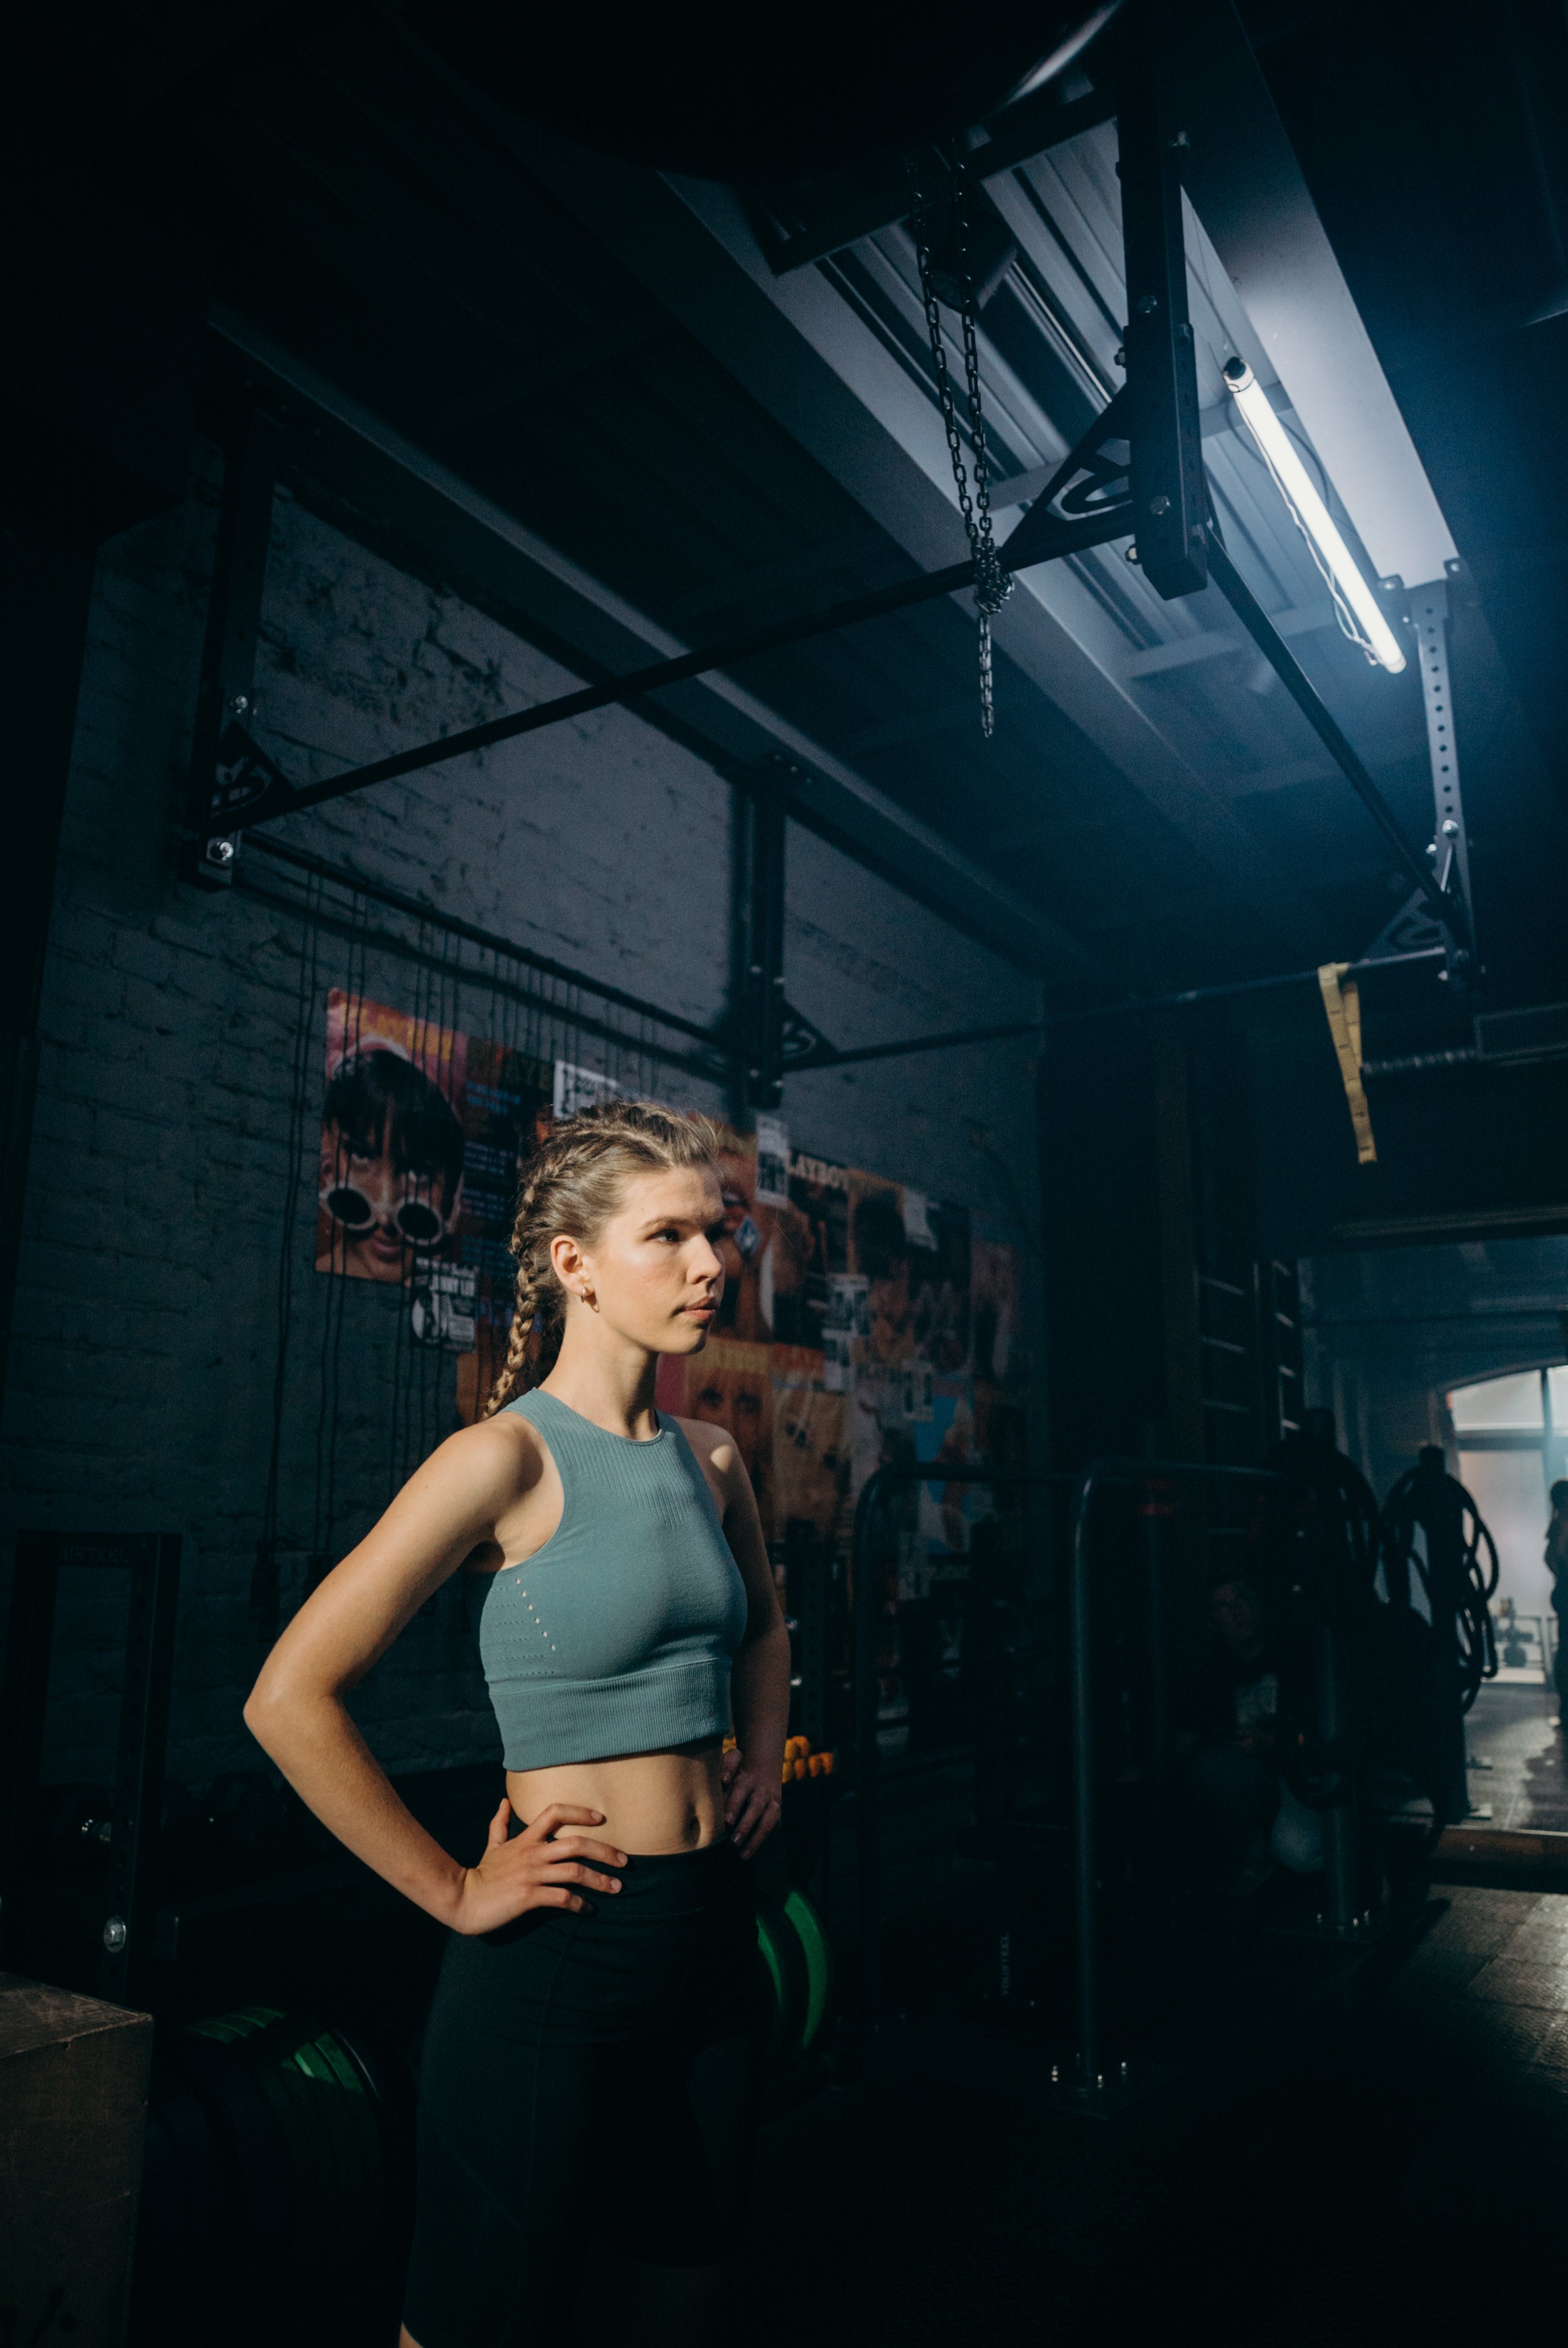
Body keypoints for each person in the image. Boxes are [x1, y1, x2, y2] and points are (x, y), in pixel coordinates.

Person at [247, 1100, 791, 2348]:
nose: (710, 1264)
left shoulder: (711, 1458)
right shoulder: (502, 1462)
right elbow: (288, 1695)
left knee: (683, 2276)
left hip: (714, 1928)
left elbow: (765, 1630)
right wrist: (451, 1890)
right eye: (668, 1236)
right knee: (482, 2315)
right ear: (574, 1266)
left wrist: (761, 1758)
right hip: (560, 1952)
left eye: (714, 1235)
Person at [1547, 1479, 1568, 1729]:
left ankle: (1565, 1703)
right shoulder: (1563, 1522)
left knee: (1564, 1647)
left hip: (1563, 1590)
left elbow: (1550, 1557)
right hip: (1565, 1590)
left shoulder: (1557, 1522)